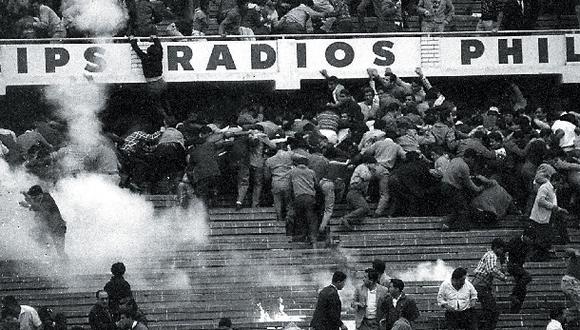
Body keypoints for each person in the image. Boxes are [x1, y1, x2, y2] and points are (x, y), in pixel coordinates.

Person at [529, 166, 568, 261]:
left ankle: (544, 255)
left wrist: (558, 209)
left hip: (547, 217)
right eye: (560, 183)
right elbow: (540, 201)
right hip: (539, 218)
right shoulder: (545, 187)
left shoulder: (553, 190)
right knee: (540, 239)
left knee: (545, 238)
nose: (561, 185)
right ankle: (538, 256)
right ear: (555, 181)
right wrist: (554, 207)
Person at [19, 185, 67, 259]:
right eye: (32, 198)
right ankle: (49, 250)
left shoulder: (47, 199)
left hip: (58, 228)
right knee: (34, 233)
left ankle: (66, 266)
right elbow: (33, 203)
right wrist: (24, 195)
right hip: (49, 228)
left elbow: (42, 209)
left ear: (40, 195)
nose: (33, 199)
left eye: (34, 197)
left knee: (60, 252)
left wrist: (28, 205)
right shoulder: (40, 199)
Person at [471, 238, 508, 330]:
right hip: (480, 285)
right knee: (493, 310)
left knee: (489, 310)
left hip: (481, 285)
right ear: (496, 248)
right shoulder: (492, 255)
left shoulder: (489, 255)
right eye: (501, 249)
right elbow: (491, 269)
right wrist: (503, 277)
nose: (502, 252)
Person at [129, 35, 170, 118]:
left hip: (152, 85)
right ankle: (170, 117)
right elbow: (160, 47)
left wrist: (132, 39)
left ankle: (164, 119)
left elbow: (136, 48)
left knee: (157, 105)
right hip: (161, 82)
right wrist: (155, 38)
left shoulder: (145, 58)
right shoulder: (159, 56)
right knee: (165, 102)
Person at [288, 156, 318, 247]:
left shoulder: (293, 172)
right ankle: (313, 239)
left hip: (299, 198)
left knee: (301, 218)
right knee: (311, 218)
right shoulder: (311, 172)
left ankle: (302, 237)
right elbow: (316, 184)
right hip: (310, 197)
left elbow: (289, 186)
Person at [506, 228, 534, 314]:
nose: (531, 241)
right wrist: (505, 264)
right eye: (530, 238)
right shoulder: (515, 240)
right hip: (512, 265)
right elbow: (506, 251)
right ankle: (513, 294)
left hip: (519, 267)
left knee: (523, 290)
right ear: (525, 236)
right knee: (527, 276)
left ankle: (514, 311)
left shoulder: (527, 245)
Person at [562, 248, 580, 323]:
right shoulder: (577, 256)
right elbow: (568, 251)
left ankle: (565, 316)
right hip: (570, 282)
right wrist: (576, 252)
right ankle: (564, 316)